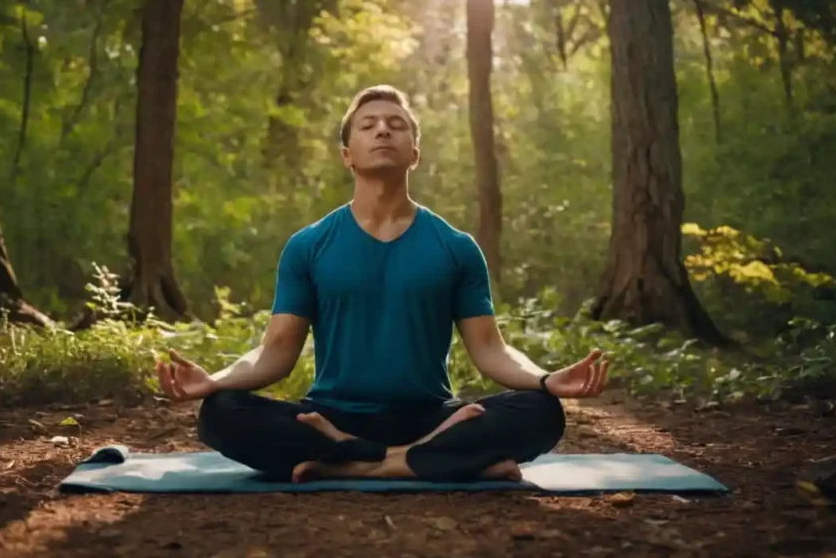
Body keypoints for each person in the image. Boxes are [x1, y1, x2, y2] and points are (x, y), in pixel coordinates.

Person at [156, 85, 610, 483]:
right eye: (368, 125)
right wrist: (214, 381)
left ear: (414, 151)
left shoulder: (456, 247)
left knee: (542, 411)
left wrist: (547, 380)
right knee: (221, 413)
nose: (383, 131)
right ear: (347, 154)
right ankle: (435, 460)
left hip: (429, 415)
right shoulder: (308, 245)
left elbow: (492, 349)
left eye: (396, 125)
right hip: (328, 417)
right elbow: (274, 352)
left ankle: (351, 463)